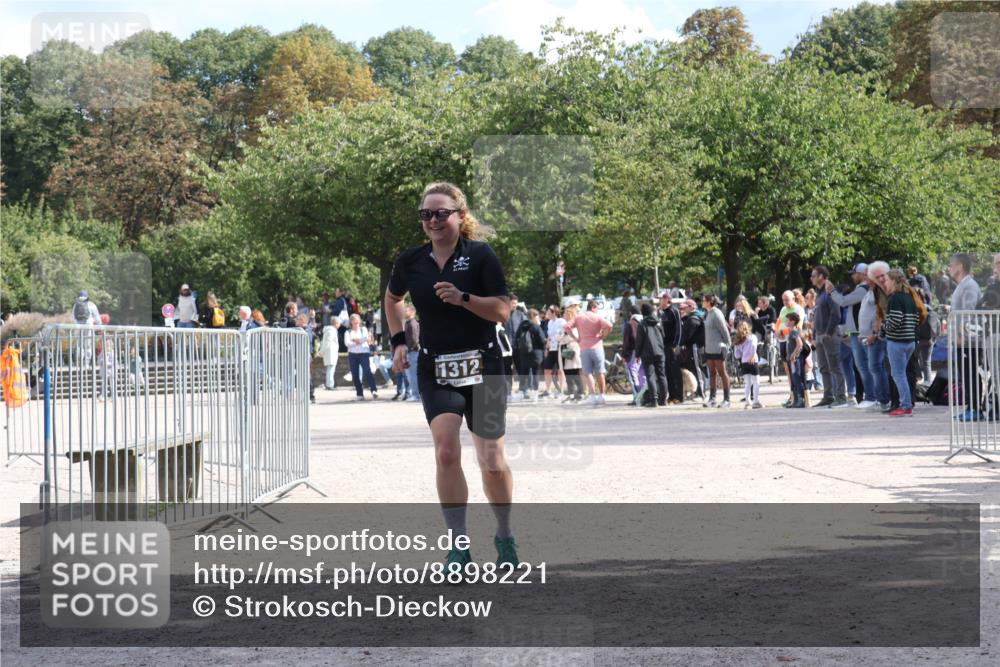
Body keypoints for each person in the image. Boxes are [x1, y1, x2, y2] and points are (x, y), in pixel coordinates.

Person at [383, 181, 518, 574]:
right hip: (437, 368)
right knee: (445, 450)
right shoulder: (411, 261)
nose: (433, 220)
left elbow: (503, 311)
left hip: (486, 366)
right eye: (426, 214)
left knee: (492, 461)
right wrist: (398, 341)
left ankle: (505, 536)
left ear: (461, 216)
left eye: (441, 213)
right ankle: (458, 547)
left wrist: (463, 299)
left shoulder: (481, 256)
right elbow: (392, 299)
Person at [880, 269, 926, 417]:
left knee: (898, 374)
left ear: (894, 281)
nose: (884, 283)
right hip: (910, 341)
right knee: (903, 374)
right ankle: (907, 404)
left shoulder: (895, 299)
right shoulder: (909, 297)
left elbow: (894, 321)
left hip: (897, 341)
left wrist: (883, 328)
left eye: (886, 280)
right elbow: (916, 319)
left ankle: (906, 406)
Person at [828, 264, 875, 408]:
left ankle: (872, 397)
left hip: (861, 332)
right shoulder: (862, 289)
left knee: (865, 366)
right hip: (857, 332)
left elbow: (843, 301)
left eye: (854, 274)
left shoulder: (863, 289)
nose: (852, 276)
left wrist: (832, 291)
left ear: (862, 274)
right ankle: (870, 397)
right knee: (863, 366)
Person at [949, 252, 983, 422]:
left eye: (951, 265)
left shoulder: (969, 286)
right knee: (966, 373)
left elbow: (969, 312)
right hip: (963, 338)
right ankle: (971, 406)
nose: (949, 268)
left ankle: (975, 408)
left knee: (970, 373)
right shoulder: (962, 285)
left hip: (969, 339)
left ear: (960, 266)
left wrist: (962, 333)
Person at [810, 266, 849, 408]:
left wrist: (828, 332)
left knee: (835, 367)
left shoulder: (830, 291)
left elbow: (836, 313)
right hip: (820, 335)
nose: (811, 278)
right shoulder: (820, 293)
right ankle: (828, 396)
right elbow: (817, 316)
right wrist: (815, 335)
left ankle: (841, 397)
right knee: (823, 368)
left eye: (813, 275)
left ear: (821, 276)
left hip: (830, 335)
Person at [567, 300, 613, 405]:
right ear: (593, 307)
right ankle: (602, 395)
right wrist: (603, 335)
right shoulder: (597, 317)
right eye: (597, 308)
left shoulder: (579, 317)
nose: (597, 311)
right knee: (600, 372)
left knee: (587, 373)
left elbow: (566, 327)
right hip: (597, 346)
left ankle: (592, 395)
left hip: (584, 347)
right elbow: (609, 326)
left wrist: (576, 338)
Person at [701, 294, 731, 408]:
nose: (702, 302)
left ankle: (727, 399)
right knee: (712, 373)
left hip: (718, 347)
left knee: (722, 373)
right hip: (709, 348)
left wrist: (728, 344)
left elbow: (724, 330)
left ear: (709, 302)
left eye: (704, 300)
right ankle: (712, 399)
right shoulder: (707, 314)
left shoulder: (717, 313)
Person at [634, 303, 667, 407]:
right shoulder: (658, 322)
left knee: (651, 376)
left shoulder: (642, 324)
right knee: (662, 376)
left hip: (647, 353)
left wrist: (637, 354)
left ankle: (654, 400)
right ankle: (663, 400)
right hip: (660, 352)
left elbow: (639, 340)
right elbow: (663, 336)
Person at [345, 313, 378, 401]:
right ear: (351, 322)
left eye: (357, 322)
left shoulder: (363, 329)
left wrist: (355, 341)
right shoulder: (347, 332)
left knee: (367, 371)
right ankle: (359, 393)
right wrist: (359, 341)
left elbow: (366, 338)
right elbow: (347, 344)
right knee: (355, 375)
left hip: (364, 353)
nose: (356, 324)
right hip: (353, 355)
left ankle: (374, 390)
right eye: (354, 323)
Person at [515, 309, 546, 401]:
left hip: (524, 353)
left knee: (523, 373)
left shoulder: (522, 325)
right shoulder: (536, 327)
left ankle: (521, 392)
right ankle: (535, 394)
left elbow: (516, 337)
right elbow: (542, 340)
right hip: (536, 353)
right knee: (535, 372)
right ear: (535, 316)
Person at [659, 292, 684, 404]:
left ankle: (679, 396)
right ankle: (671, 395)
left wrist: (675, 344)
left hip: (672, 345)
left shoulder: (674, 311)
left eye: (662, 299)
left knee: (675, 371)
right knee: (667, 371)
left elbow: (679, 329)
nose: (660, 301)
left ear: (667, 300)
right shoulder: (662, 313)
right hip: (664, 345)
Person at [679, 299, 706, 400]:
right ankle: (698, 391)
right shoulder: (691, 318)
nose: (683, 309)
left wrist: (680, 343)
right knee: (696, 369)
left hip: (696, 347)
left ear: (691, 307)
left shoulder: (693, 319)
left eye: (685, 307)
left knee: (698, 369)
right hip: (694, 347)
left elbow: (687, 335)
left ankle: (701, 393)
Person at [557, 304, 584, 402]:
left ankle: (580, 393)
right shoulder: (564, 326)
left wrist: (563, 337)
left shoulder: (574, 327)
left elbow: (572, 338)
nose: (563, 315)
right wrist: (562, 337)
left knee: (575, 372)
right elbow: (558, 337)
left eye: (565, 313)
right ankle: (571, 393)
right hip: (565, 351)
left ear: (569, 315)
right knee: (568, 373)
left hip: (572, 350)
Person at [733, 321, 762, 409]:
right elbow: (754, 346)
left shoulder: (738, 340)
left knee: (747, 383)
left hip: (744, 362)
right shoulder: (752, 337)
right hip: (753, 361)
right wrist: (752, 355)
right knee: (756, 381)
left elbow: (736, 354)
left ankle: (747, 402)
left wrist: (743, 355)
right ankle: (756, 401)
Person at [502, 295, 525, 399]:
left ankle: (523, 389)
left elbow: (526, 328)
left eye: (516, 303)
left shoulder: (520, 315)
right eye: (513, 303)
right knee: (507, 370)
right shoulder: (502, 313)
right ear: (508, 302)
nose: (515, 305)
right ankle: (508, 392)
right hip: (505, 348)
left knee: (521, 368)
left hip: (518, 347)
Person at [621, 305, 645, 406]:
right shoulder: (644, 321)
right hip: (645, 352)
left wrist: (624, 354)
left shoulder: (630, 323)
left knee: (633, 375)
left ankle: (637, 397)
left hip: (633, 352)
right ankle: (644, 396)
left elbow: (626, 341)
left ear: (631, 313)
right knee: (643, 375)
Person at [540, 305, 566, 399]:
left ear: (554, 312)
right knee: (547, 369)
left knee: (560, 369)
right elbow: (549, 336)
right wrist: (546, 348)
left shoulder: (562, 321)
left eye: (548, 311)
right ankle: (548, 390)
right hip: (551, 348)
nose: (546, 313)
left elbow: (562, 333)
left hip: (559, 347)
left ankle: (562, 391)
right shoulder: (549, 322)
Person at [785, 312, 807, 408]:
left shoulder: (794, 331)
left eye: (787, 320)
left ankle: (801, 400)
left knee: (797, 378)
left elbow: (800, 344)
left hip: (796, 359)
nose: (786, 322)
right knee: (794, 379)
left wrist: (793, 354)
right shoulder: (792, 331)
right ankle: (796, 400)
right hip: (792, 359)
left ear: (792, 322)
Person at [404, 305, 421, 402]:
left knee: (413, 374)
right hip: (410, 351)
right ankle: (414, 393)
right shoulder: (407, 323)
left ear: (412, 312)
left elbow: (414, 339)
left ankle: (416, 394)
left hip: (413, 352)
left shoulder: (412, 324)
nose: (404, 312)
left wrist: (408, 348)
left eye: (406, 310)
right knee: (409, 374)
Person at [320, 320, 340, 390]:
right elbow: (328, 341)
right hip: (331, 353)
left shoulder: (330, 330)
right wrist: (322, 351)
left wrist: (322, 351)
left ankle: (329, 384)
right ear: (336, 323)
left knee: (330, 369)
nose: (339, 325)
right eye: (338, 323)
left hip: (330, 353)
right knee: (331, 369)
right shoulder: (331, 330)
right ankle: (330, 385)